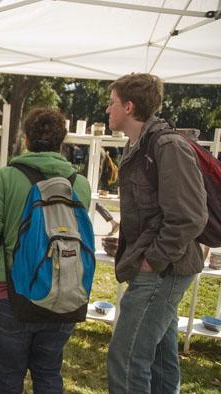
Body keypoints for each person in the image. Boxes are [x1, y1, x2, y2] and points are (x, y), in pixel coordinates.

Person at [0, 108, 92, 393]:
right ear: (61, 142)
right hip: (63, 295)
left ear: (26, 139)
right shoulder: (81, 185)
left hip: (10, 294)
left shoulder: (6, 177)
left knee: (8, 376)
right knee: (49, 371)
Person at [106, 73, 207, 393]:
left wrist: (152, 260)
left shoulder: (167, 145)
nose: (107, 110)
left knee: (127, 357)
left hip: (164, 269)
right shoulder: (138, 144)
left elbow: (190, 217)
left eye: (112, 103)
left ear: (130, 106)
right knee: (161, 358)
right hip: (158, 265)